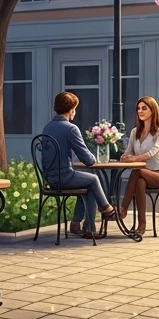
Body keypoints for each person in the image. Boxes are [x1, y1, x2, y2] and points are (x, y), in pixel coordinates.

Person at [41, 91, 118, 238]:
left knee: (89, 185)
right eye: (75, 109)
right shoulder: (70, 128)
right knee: (94, 179)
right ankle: (106, 210)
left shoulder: (48, 127)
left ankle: (79, 224)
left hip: (50, 179)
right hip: (64, 177)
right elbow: (87, 159)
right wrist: (94, 158)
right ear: (71, 110)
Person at [118, 96, 159, 236]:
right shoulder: (135, 131)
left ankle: (123, 209)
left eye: (144, 108)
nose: (140, 111)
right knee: (139, 181)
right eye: (138, 109)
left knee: (136, 172)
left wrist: (134, 159)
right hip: (142, 175)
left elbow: (152, 153)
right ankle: (141, 226)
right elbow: (129, 151)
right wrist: (124, 156)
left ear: (152, 110)